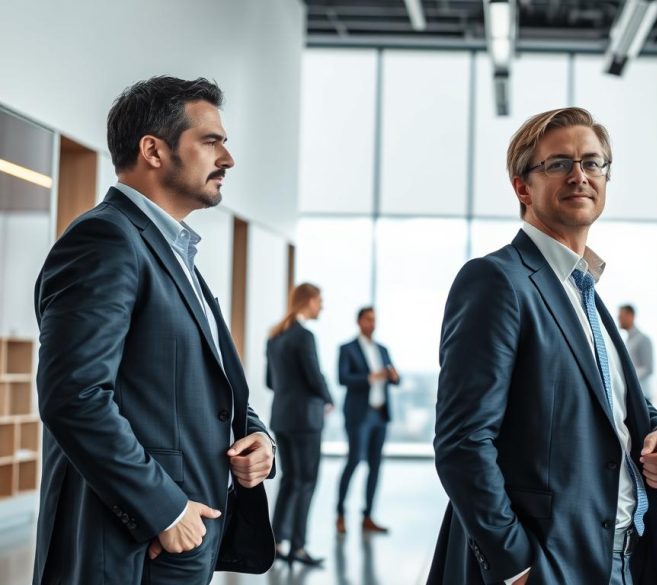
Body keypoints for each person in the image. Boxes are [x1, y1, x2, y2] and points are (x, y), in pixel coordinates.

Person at [429, 107, 657, 585]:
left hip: (622, 555)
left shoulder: (582, 288)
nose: (580, 175)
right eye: (559, 164)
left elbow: (615, 403)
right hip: (550, 564)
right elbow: (463, 443)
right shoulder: (496, 280)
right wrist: (519, 567)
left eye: (592, 163)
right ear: (522, 187)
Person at [33, 76, 275, 585]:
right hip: (136, 542)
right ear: (154, 150)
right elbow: (74, 396)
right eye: (211, 141)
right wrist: (166, 510)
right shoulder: (106, 240)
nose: (227, 159)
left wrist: (256, 436)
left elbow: (196, 379)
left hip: (180, 538)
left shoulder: (171, 250)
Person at [266, 283, 334, 567]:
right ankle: (299, 547)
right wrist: (329, 399)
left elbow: (270, 381)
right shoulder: (304, 336)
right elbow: (314, 376)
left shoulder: (275, 336)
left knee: (290, 480)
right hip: (306, 420)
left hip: (282, 417)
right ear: (308, 301)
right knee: (306, 482)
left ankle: (277, 543)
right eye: (319, 301)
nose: (321, 307)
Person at [335, 306, 400, 534]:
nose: (372, 323)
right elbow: (343, 378)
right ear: (359, 321)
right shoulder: (347, 348)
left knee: (375, 466)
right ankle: (340, 514)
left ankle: (368, 516)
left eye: (374, 320)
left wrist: (393, 376)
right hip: (359, 414)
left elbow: (395, 378)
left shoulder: (382, 349)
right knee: (353, 461)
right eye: (368, 319)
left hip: (380, 414)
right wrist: (370, 377)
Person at [618, 304, 654, 397]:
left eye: (621, 316)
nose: (619, 320)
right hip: (631, 394)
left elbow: (648, 368)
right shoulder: (627, 341)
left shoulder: (643, 339)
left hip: (642, 394)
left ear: (630, 315)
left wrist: (628, 376)